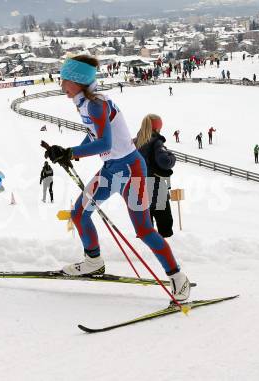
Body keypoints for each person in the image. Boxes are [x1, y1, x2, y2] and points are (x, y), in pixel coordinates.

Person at [44, 55, 190, 301]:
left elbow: (105, 142)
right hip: (112, 169)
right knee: (79, 213)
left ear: (77, 81)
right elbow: (94, 136)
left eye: (64, 79)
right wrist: (69, 154)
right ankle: (93, 261)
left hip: (131, 170)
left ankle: (178, 278)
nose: (61, 84)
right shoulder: (85, 102)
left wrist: (71, 152)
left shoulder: (96, 104)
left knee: (143, 230)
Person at [135, 114, 175, 238]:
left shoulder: (134, 142)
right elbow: (165, 162)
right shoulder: (155, 142)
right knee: (165, 227)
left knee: (145, 228)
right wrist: (171, 156)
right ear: (157, 128)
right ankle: (166, 253)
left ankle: (145, 252)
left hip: (137, 187)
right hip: (156, 187)